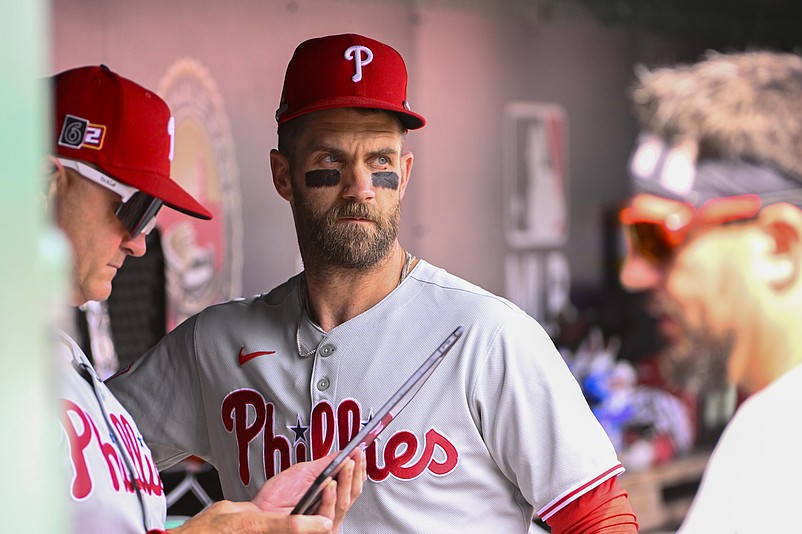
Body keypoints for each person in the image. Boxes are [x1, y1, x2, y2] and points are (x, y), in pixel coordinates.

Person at [108, 34, 638, 532]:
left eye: (379, 161)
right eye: (329, 161)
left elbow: (602, 520)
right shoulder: (217, 345)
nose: (360, 188)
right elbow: (65, 462)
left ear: (404, 173)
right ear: (283, 175)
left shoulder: (488, 336)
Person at [49, 64, 364, 534]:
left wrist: (246, 519)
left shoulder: (69, 369)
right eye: (132, 207)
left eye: (151, 214)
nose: (138, 242)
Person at [618, 50, 802, 532]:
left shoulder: (782, 446)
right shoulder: (770, 427)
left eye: (657, 237)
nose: (634, 274)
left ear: (780, 246)